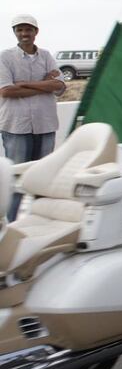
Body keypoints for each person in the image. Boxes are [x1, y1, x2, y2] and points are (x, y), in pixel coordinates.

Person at [1, 14, 65, 219]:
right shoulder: (5, 57)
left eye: (28, 29)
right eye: (19, 30)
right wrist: (43, 85)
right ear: (15, 33)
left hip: (45, 124)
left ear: (36, 32)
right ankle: (13, 224)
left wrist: (23, 84)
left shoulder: (46, 56)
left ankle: (38, 220)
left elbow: (60, 86)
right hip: (16, 126)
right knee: (17, 177)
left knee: (44, 177)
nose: (24, 33)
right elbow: (7, 91)